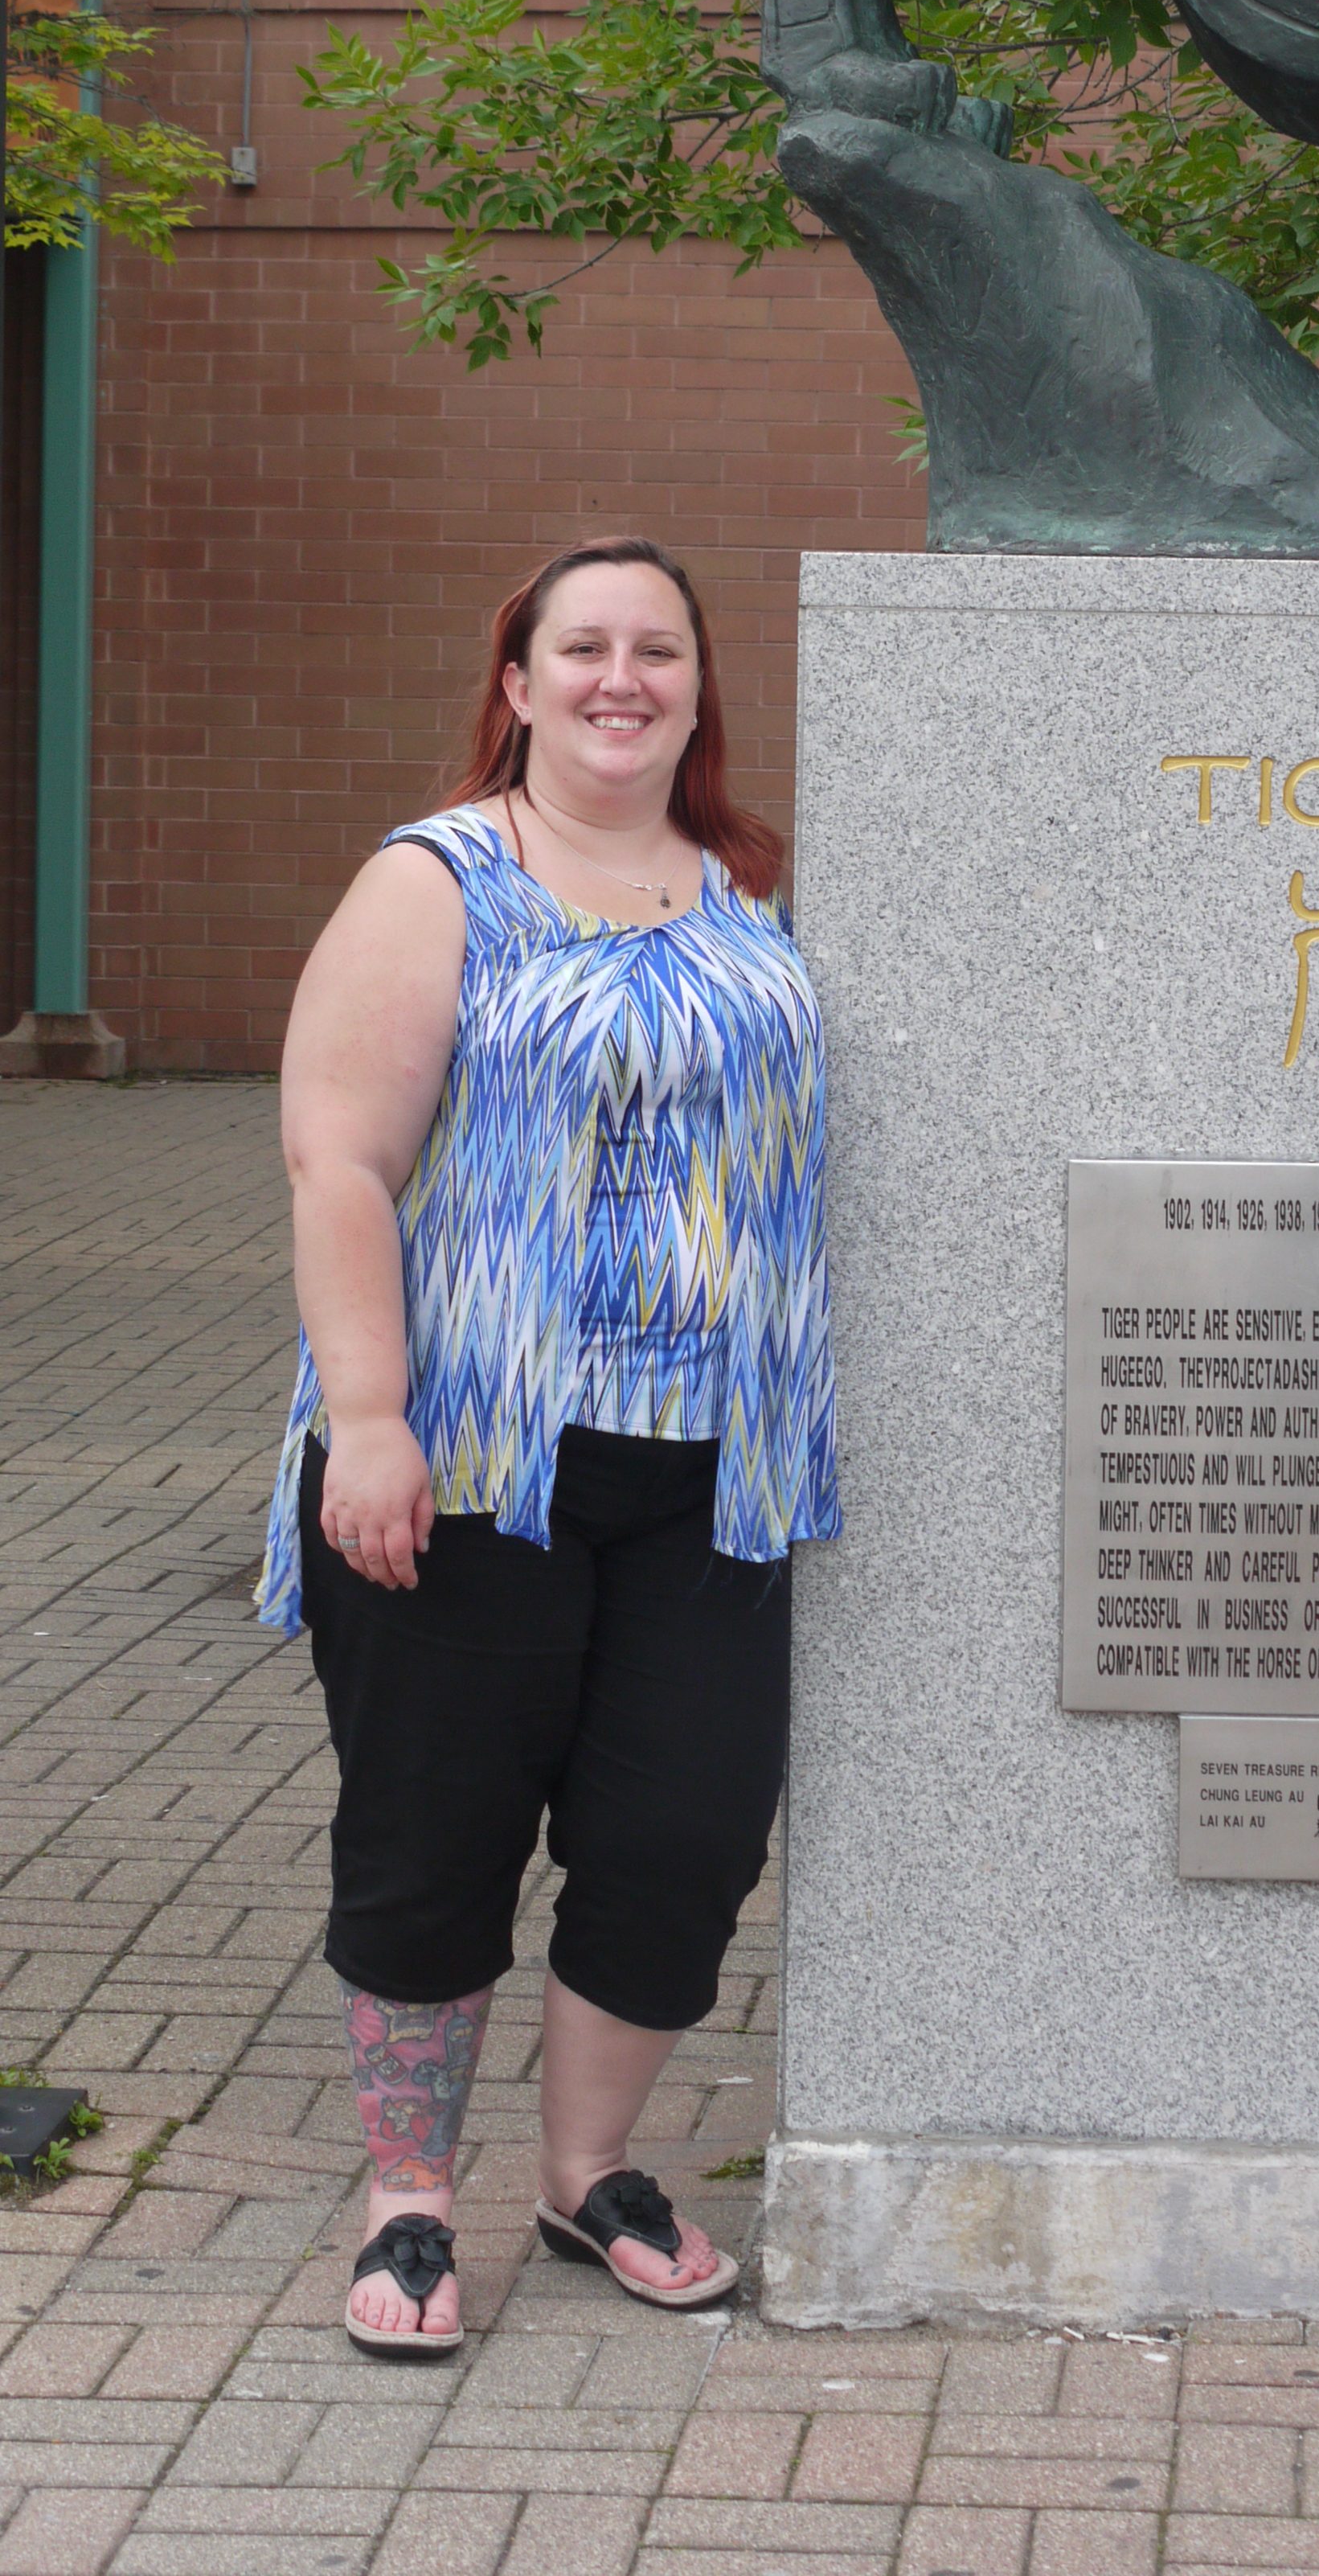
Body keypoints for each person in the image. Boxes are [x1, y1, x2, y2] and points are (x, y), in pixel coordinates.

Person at [260, 535, 838, 2359]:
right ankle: (407, 2196)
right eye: (581, 647)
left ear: (697, 686)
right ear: (517, 685)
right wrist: (369, 1418)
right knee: (434, 1835)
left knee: (683, 1834)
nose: (619, 678)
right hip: (473, 1457)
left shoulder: (753, 888)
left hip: (717, 1462)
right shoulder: (438, 880)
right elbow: (340, 1159)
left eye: (657, 649)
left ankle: (586, 2172)